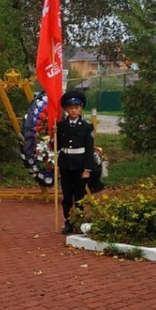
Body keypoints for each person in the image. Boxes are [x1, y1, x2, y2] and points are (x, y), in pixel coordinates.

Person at [55, 90, 97, 234]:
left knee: (79, 195)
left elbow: (89, 149)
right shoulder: (60, 126)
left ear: (81, 109)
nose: (74, 110)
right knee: (67, 196)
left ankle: (78, 221)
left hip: (80, 165)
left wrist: (87, 169)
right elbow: (58, 146)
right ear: (66, 109)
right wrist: (53, 137)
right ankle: (68, 222)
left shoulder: (87, 127)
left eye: (77, 107)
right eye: (71, 107)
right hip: (66, 164)